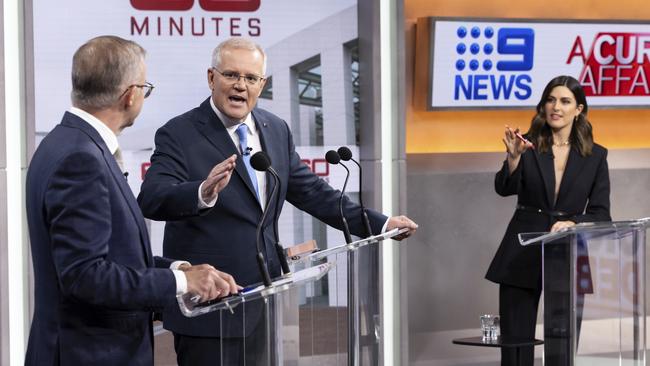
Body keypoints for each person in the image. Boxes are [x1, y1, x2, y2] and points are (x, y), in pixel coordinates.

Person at [137, 37, 418, 365]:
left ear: (262, 84)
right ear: (211, 78)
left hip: (266, 302)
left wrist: (380, 224)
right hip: (209, 308)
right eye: (231, 75)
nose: (241, 86)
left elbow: (312, 192)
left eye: (251, 78)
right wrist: (202, 192)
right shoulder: (179, 132)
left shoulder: (275, 129)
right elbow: (152, 198)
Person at [25, 35, 239, 366]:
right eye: (145, 87)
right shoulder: (80, 158)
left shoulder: (63, 143)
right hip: (90, 355)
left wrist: (179, 269)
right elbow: (85, 276)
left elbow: (108, 255)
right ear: (130, 95)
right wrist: (181, 282)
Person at [485, 75, 611, 366]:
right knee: (515, 345)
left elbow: (602, 214)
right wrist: (513, 159)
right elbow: (504, 188)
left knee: (562, 346)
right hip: (521, 253)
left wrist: (574, 223)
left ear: (578, 109)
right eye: (550, 100)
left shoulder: (596, 156)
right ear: (542, 106)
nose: (556, 107)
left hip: (567, 255)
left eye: (565, 101)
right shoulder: (526, 147)